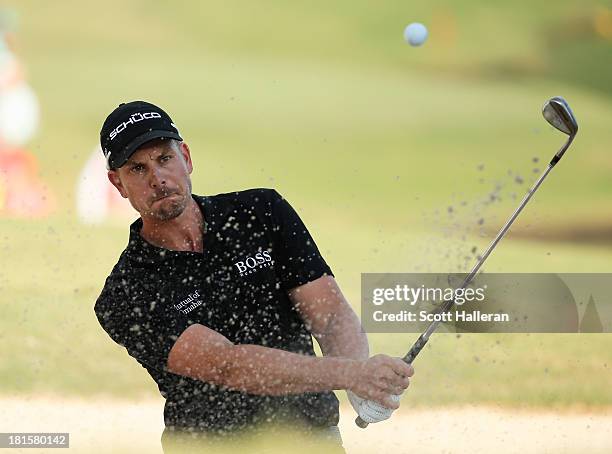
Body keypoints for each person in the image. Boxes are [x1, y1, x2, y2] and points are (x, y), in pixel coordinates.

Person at [93, 101, 414, 452]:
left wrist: (360, 383)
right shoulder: (126, 293)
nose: (158, 179)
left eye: (164, 159)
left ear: (185, 157)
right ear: (118, 183)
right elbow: (230, 365)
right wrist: (353, 374)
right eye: (138, 169)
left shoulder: (260, 213)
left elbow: (330, 314)